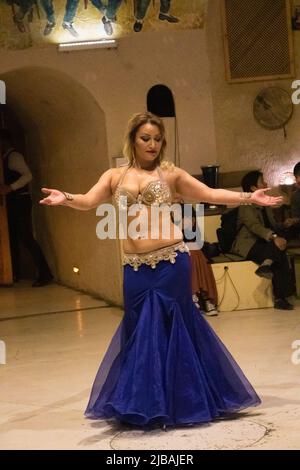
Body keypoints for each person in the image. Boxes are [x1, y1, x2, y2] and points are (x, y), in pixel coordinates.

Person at [40, 112, 282, 427]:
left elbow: (209, 194)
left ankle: (186, 401)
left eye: (157, 139)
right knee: (141, 330)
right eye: (146, 138)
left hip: (171, 262)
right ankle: (147, 401)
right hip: (135, 268)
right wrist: (65, 198)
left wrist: (250, 197)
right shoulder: (114, 176)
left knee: (176, 328)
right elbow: (87, 201)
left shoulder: (170, 174)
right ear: (132, 140)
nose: (152, 144)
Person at [231, 170, 295, 311]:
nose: (265, 183)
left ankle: (268, 263)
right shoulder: (246, 204)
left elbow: (270, 225)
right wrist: (274, 237)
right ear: (253, 188)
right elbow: (255, 226)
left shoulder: (263, 202)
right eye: (262, 181)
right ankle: (280, 297)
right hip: (248, 244)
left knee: (280, 248)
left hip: (264, 241)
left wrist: (283, 225)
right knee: (277, 250)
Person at [0, 130, 53, 287]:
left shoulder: (14, 157)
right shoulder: (5, 158)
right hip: (12, 201)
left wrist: (11, 187)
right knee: (13, 237)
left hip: (20, 200)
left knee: (26, 236)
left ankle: (45, 273)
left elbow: (28, 175)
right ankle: (13, 273)